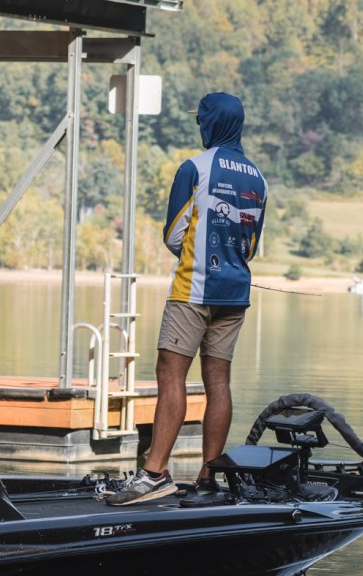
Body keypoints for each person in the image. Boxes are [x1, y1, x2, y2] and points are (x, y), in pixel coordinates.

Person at [107, 92, 268, 506]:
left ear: (211, 124)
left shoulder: (195, 168)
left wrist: (197, 256)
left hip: (195, 288)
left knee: (170, 374)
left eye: (202, 121)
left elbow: (174, 234)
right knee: (219, 381)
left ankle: (154, 473)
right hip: (236, 293)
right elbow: (251, 246)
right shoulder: (258, 178)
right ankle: (209, 476)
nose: (200, 128)